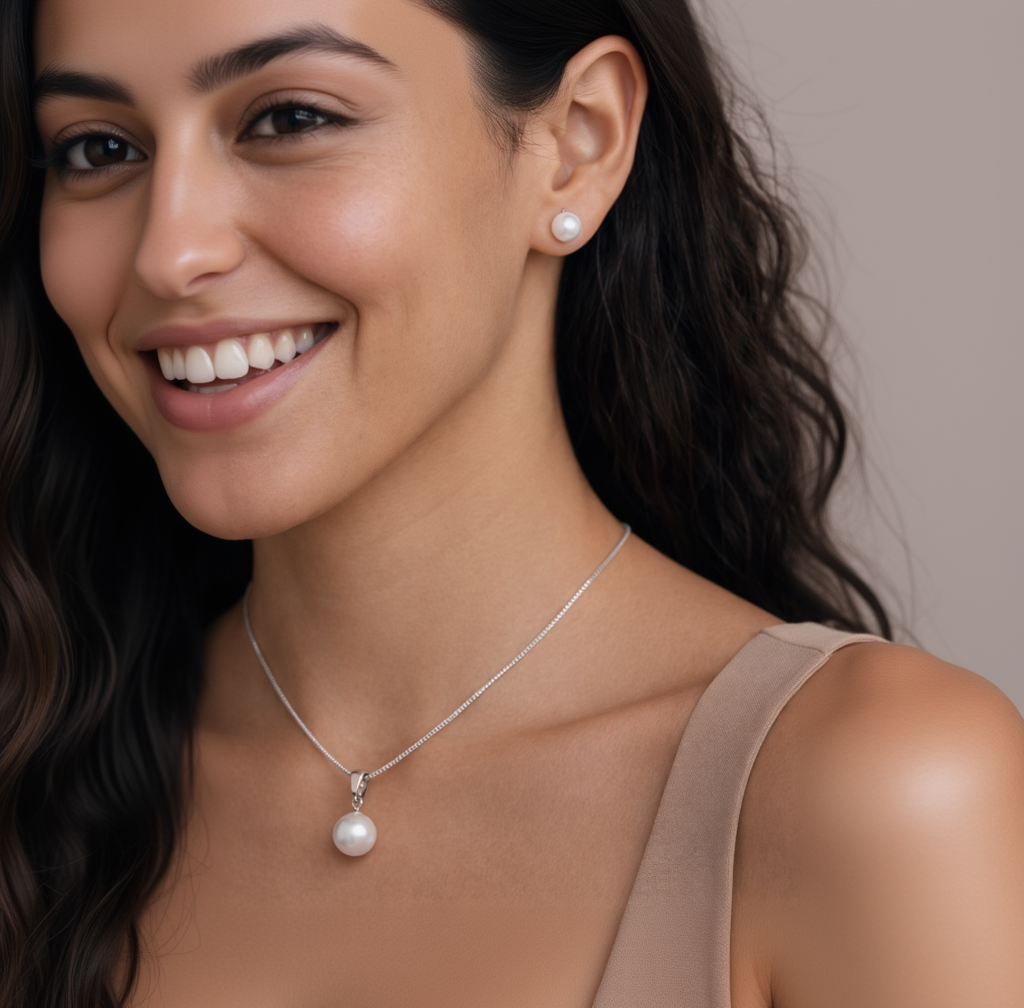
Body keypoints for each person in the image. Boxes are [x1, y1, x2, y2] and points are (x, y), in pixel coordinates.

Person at [1, 0, 1022, 1004]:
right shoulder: (30, 755)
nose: (169, 252)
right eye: (98, 149)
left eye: (290, 119)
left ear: (577, 143)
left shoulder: (880, 793)